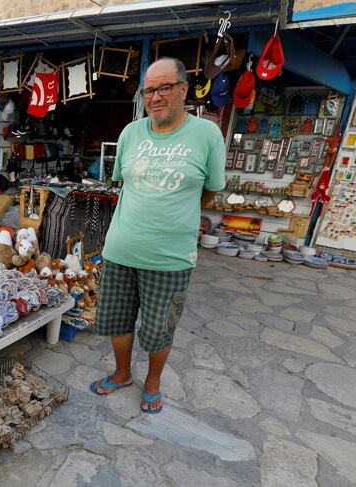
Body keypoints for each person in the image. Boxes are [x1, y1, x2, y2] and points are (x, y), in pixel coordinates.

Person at [90, 58, 225, 414]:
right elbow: (124, 183)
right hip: (121, 249)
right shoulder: (131, 133)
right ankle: (121, 374)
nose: (156, 97)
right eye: (149, 89)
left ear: (183, 89)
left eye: (164, 87)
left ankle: (152, 382)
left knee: (159, 329)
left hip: (170, 257)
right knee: (117, 320)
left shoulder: (207, 134)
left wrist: (179, 212)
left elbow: (210, 190)